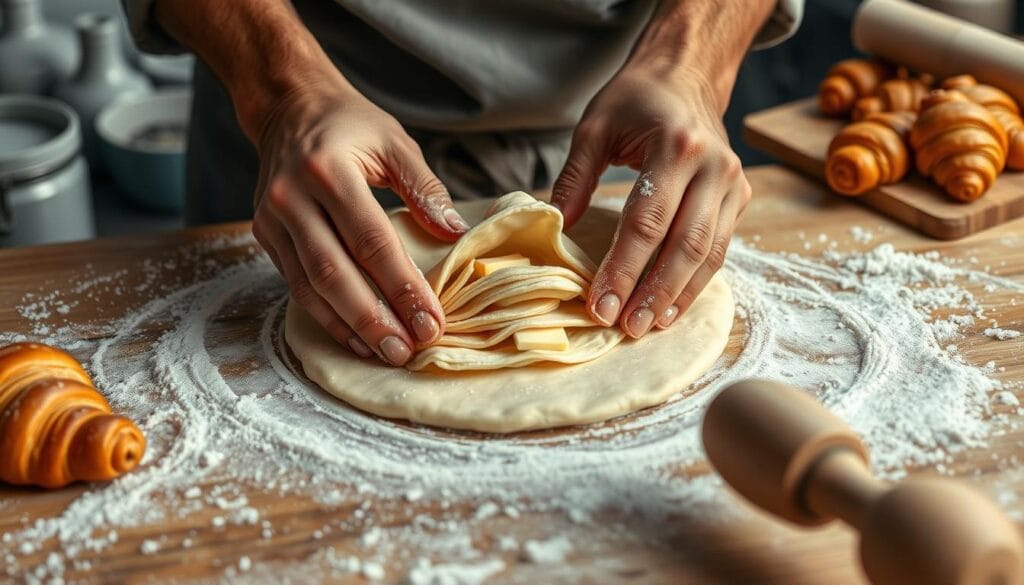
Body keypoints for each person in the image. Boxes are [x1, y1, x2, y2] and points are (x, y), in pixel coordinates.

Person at [124, 0, 803, 366]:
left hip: (623, 137)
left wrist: (691, 56)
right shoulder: (282, 96)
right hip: (300, 138)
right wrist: (279, 89)